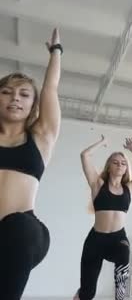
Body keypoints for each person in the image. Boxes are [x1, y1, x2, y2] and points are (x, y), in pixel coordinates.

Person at [0, 28, 62, 300]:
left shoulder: (41, 136)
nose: (15, 98)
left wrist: (56, 53)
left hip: (25, 231)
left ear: (34, 104)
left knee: (18, 227)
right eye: (6, 92)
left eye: (24, 94)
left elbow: (50, 89)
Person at [75, 135, 132, 300]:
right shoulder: (97, 185)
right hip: (95, 240)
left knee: (124, 254)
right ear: (108, 166)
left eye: (123, 163)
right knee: (87, 292)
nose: (119, 165)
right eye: (115, 162)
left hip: (118, 239)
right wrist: (101, 143)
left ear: (126, 169)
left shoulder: (130, 189)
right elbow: (84, 155)